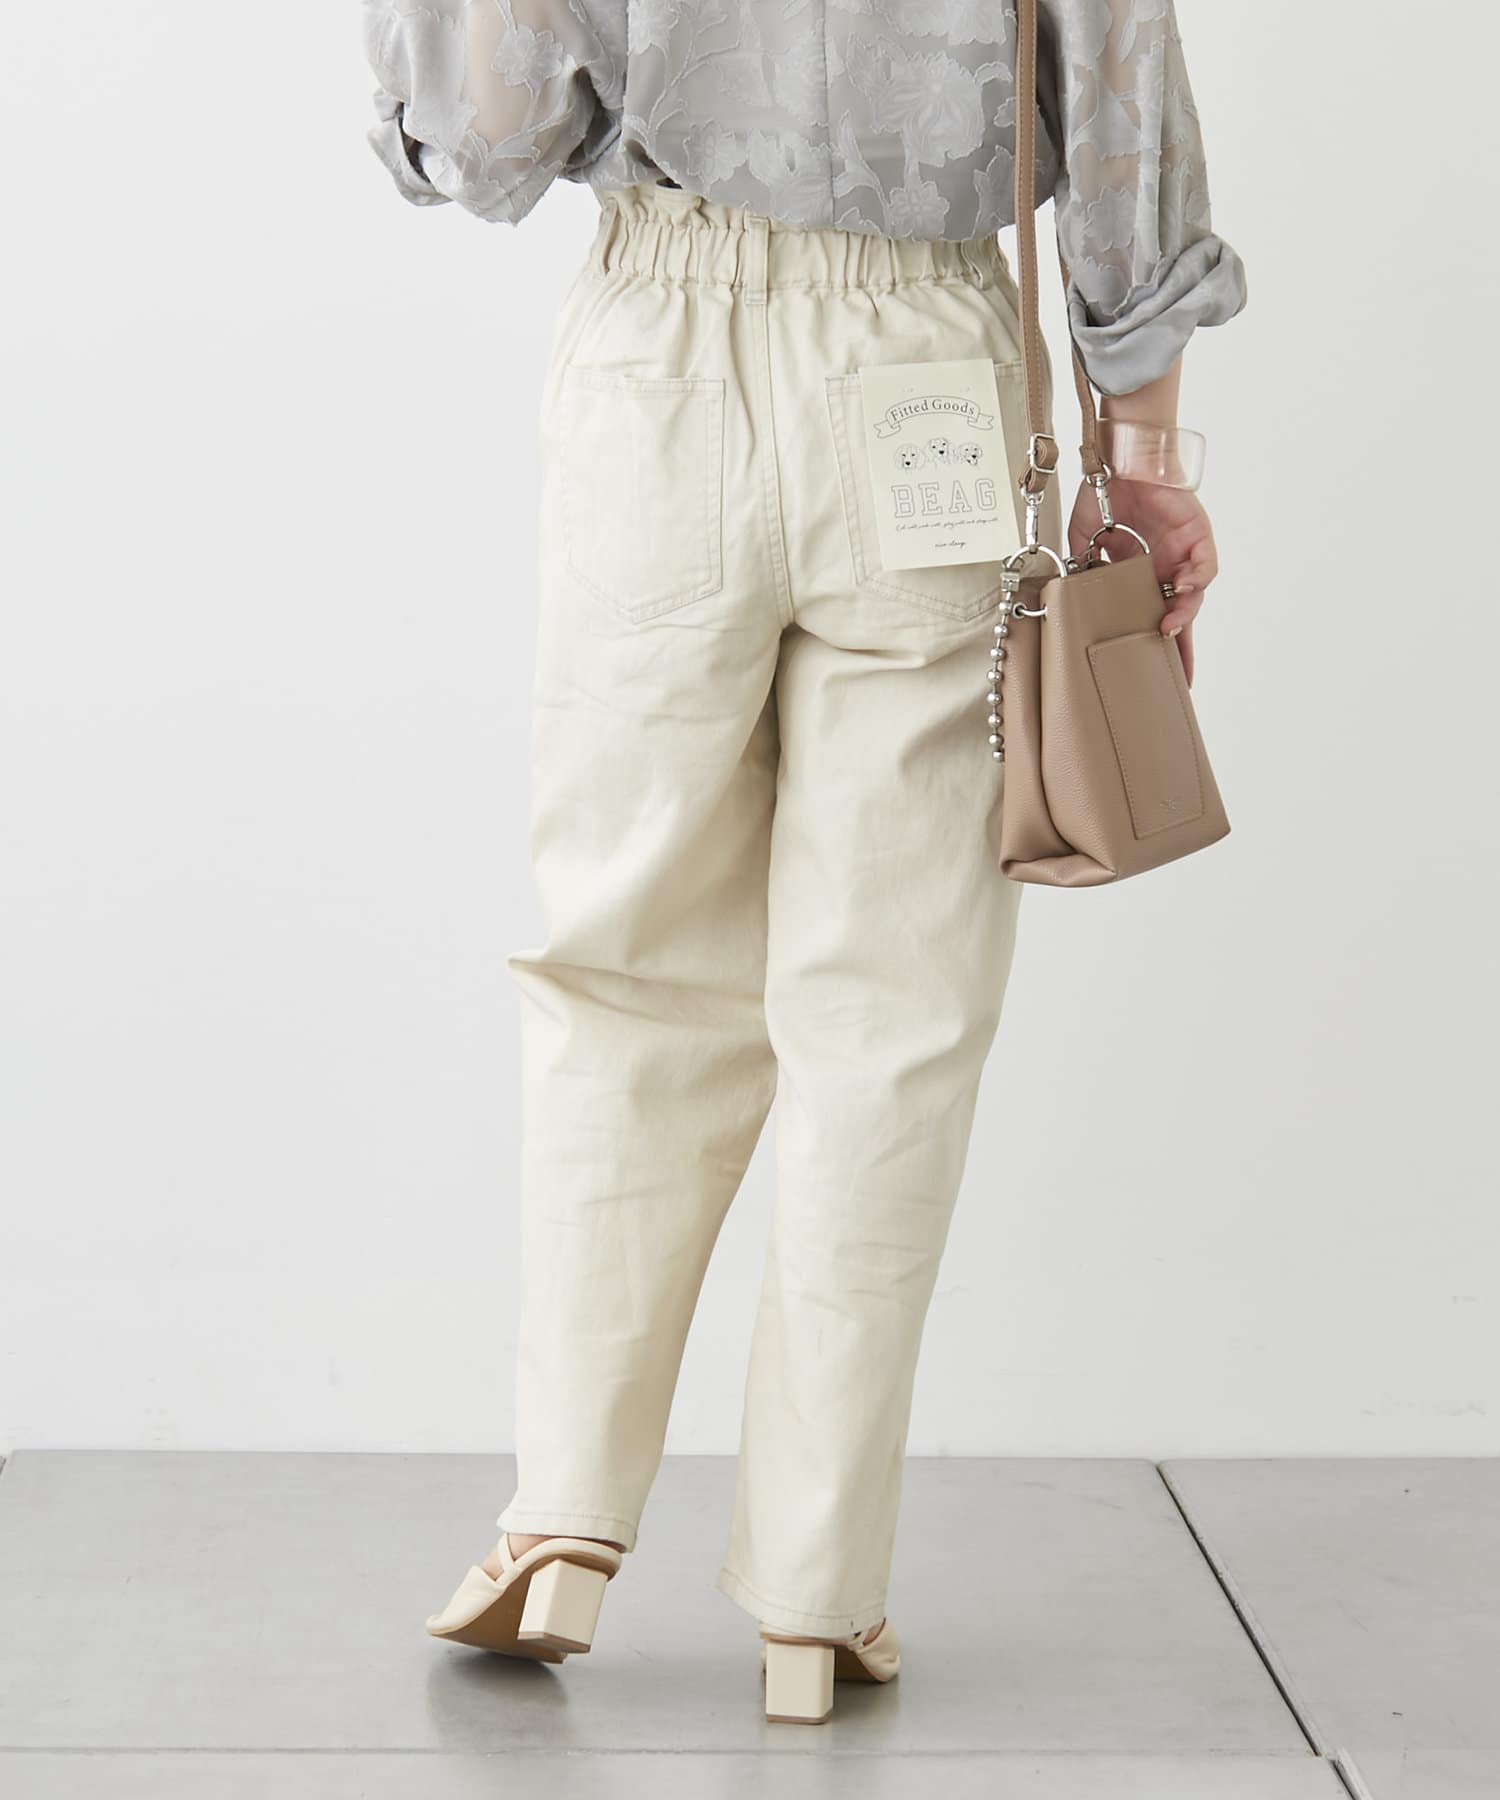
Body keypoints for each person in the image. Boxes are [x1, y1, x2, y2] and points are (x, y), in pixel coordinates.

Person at [361, 0, 1245, 1725]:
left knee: (621, 972)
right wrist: (1140, 457)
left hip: (662, 360)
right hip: (930, 369)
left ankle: (559, 1522)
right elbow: (1120, 91)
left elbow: (483, 135)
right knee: (893, 1011)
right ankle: (818, 1595)